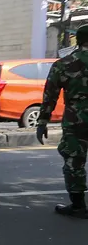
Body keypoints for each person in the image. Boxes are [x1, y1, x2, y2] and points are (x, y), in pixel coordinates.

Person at [36, 24, 88, 219]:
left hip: (76, 119)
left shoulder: (63, 64)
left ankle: (78, 206)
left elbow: (50, 95)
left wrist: (42, 122)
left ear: (79, 40)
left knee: (74, 161)